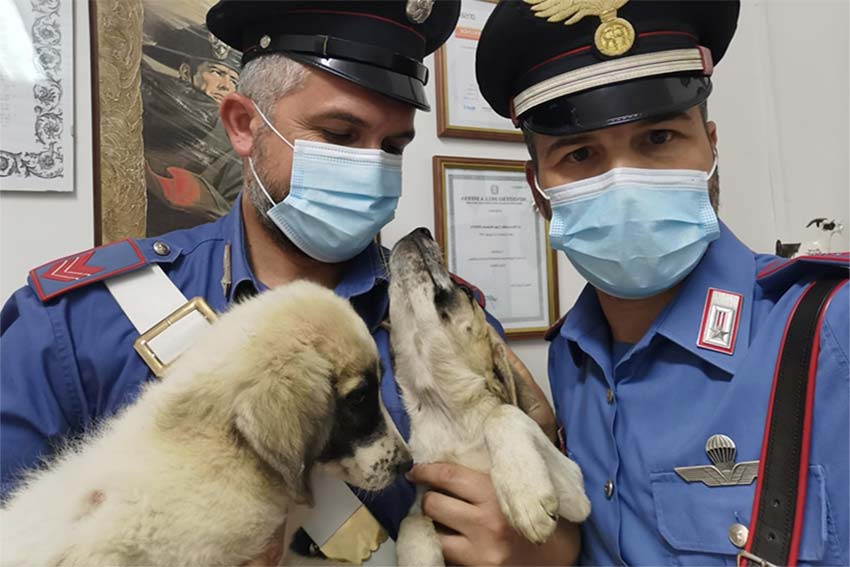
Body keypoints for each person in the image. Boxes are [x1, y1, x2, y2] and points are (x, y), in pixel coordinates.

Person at [1, 1, 575, 564]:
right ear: (245, 125)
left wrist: (540, 551)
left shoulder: (441, 323)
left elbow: (508, 510)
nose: (374, 166)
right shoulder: (81, 321)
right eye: (341, 134)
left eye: (394, 146)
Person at [475, 1, 848, 565]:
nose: (625, 181)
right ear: (536, 187)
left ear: (711, 146)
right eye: (579, 154)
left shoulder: (831, 332)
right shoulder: (571, 362)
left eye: (659, 139)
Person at [141, 24, 243, 235]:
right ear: (186, 72)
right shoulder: (149, 101)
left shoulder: (237, 138)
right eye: (217, 72)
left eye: (233, 80)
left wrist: (204, 198)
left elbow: (242, 222)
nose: (226, 85)